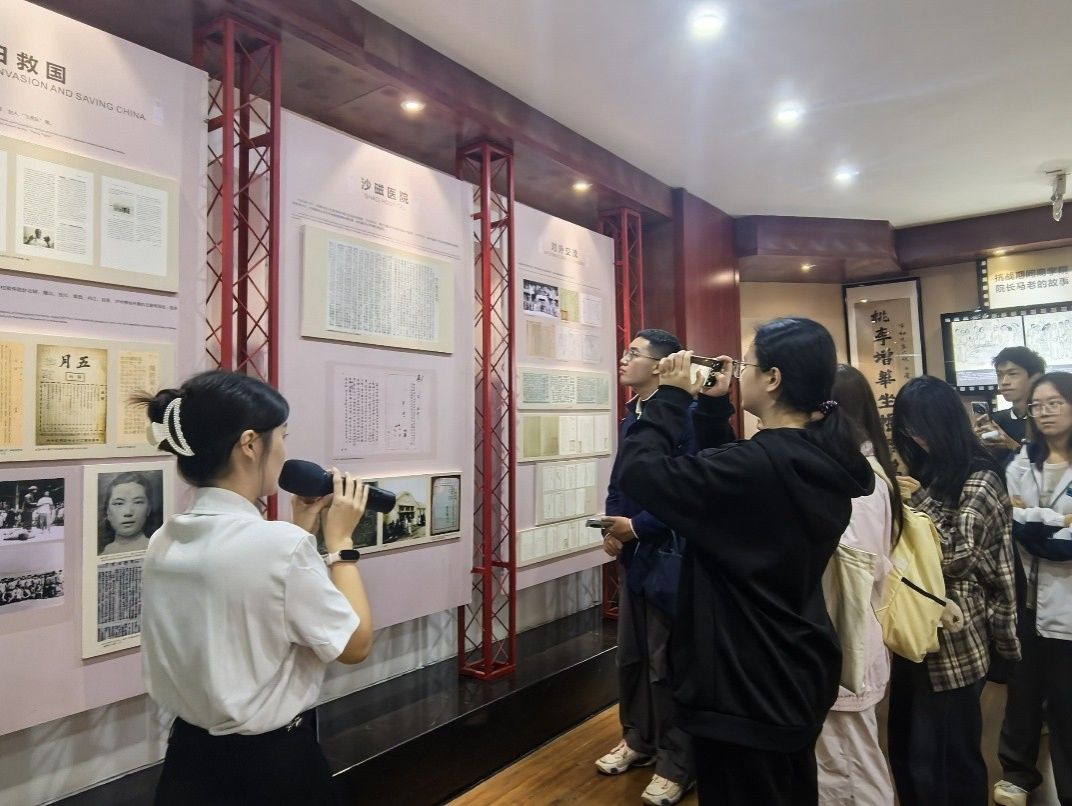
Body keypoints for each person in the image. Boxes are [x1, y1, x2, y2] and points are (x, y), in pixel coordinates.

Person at [615, 317, 875, 805]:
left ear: (773, 378)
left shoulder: (758, 465)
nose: (739, 373)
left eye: (747, 365)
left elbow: (641, 472)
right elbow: (730, 495)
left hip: (742, 682)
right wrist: (714, 410)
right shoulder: (815, 456)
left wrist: (670, 398)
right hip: (790, 664)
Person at [137, 370, 374, 805]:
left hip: (187, 763)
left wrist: (300, 530)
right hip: (272, 770)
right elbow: (355, 645)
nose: (284, 450)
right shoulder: (279, 547)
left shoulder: (164, 539)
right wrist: (341, 544)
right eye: (281, 436)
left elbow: (255, 601)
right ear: (249, 444)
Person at [887, 374, 1020, 806]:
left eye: (921, 428)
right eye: (907, 429)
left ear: (943, 424)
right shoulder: (927, 469)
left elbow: (958, 556)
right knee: (909, 752)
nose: (915, 438)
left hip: (957, 639)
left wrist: (915, 502)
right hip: (914, 631)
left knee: (947, 758)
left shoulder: (980, 476)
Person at [595, 328, 699, 806]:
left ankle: (677, 762)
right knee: (632, 655)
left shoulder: (685, 417)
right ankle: (638, 738)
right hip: (635, 554)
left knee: (667, 662)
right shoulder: (631, 414)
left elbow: (690, 492)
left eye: (633, 353)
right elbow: (621, 479)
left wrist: (638, 527)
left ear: (660, 365)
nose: (623, 359)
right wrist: (613, 527)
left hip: (669, 555)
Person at [814, 364, 901, 805]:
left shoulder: (857, 478)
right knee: (845, 762)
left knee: (849, 768)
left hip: (846, 638)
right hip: (850, 635)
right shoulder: (866, 468)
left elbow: (853, 565)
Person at [994, 371, 1072, 806]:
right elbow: (1010, 519)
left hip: (1068, 604)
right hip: (1025, 599)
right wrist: (1057, 522)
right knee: (1022, 693)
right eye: (1038, 405)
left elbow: (1061, 544)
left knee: (1066, 701)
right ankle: (1017, 774)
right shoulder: (1023, 460)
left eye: (1055, 403)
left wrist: (1033, 521)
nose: (1044, 412)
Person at [977, 347, 1046, 465]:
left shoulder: (1048, 420)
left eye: (1012, 374)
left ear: (1034, 378)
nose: (1004, 382)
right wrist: (976, 443)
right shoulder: (995, 420)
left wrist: (1011, 445)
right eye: (999, 375)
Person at [98, 472, 160, 555]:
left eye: (138, 502)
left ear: (148, 509)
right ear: (107, 511)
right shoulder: (104, 553)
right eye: (119, 503)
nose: (128, 512)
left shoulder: (157, 550)